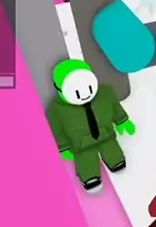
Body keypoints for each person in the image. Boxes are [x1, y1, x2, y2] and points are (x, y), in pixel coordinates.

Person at [45, 59, 136, 193]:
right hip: (80, 145)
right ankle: (89, 176)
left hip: (106, 135)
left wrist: (122, 121)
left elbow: (114, 107)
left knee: (115, 157)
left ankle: (114, 161)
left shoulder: (105, 93)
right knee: (87, 165)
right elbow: (56, 129)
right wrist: (63, 147)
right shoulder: (57, 109)